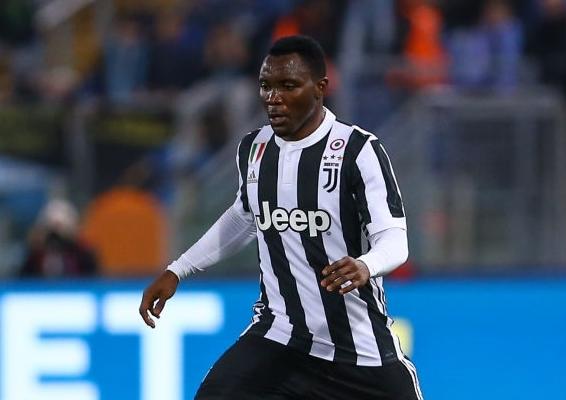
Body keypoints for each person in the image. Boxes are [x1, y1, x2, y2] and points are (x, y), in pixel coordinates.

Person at [139, 35, 424, 400]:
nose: (273, 98)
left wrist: (366, 265)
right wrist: (178, 269)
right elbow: (245, 216)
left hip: (359, 350)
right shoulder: (254, 148)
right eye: (266, 86)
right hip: (280, 337)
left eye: (288, 86)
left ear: (320, 88)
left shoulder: (358, 151)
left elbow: (395, 240)